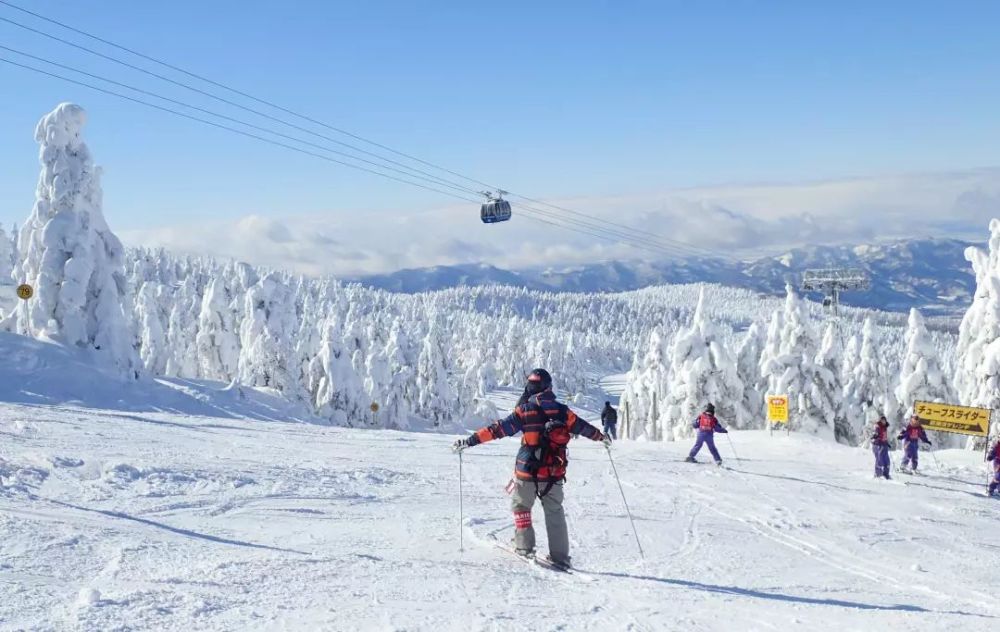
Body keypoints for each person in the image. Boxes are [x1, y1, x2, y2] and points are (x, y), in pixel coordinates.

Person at [452, 368, 609, 570]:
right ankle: (560, 557)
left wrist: (470, 441)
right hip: (554, 471)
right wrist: (601, 437)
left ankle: (524, 547)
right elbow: (582, 427)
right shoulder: (562, 411)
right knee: (555, 511)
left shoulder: (525, 410)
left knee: (521, 507)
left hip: (527, 471)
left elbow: (497, 430)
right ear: (549, 387)